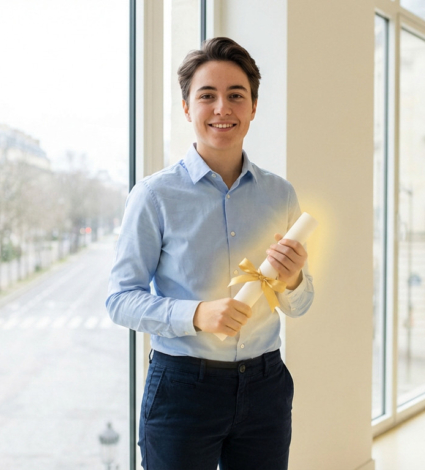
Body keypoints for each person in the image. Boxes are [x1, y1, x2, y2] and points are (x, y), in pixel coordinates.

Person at [106, 36, 314, 470]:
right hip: (183, 388)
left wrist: (294, 281)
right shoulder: (154, 196)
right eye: (207, 96)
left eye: (236, 96)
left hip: (266, 384)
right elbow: (120, 300)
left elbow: (300, 304)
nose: (223, 108)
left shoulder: (280, 194)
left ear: (253, 108)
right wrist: (197, 314)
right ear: (187, 108)